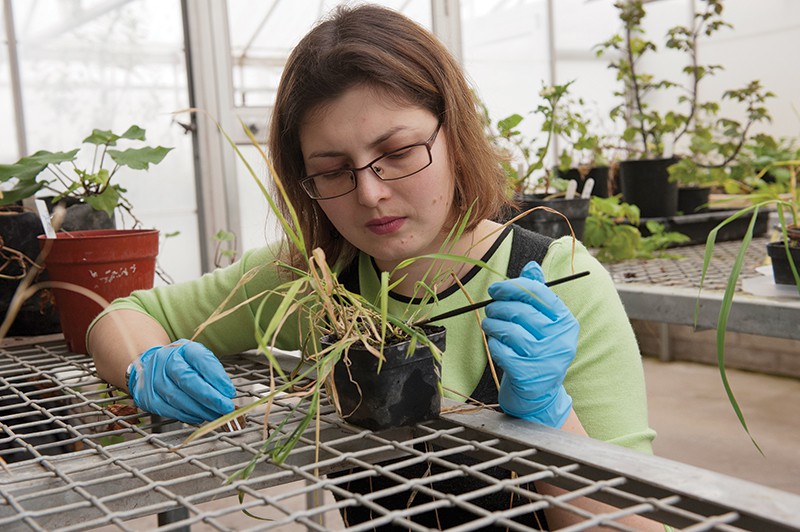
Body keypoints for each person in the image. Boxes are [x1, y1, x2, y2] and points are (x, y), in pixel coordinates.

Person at [88, 4, 660, 529]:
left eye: (399, 152)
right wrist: (147, 365)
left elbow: (638, 524)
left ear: (454, 136)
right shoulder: (318, 279)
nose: (370, 193)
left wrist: (550, 420)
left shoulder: (559, 281)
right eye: (334, 170)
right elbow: (124, 313)